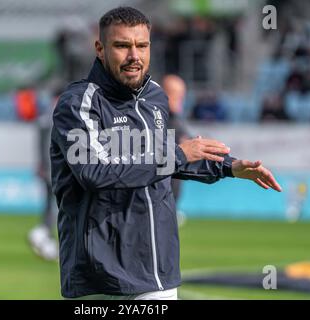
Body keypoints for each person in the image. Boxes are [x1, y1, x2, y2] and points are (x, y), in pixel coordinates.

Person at [50, 6, 282, 300]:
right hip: (102, 278)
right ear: (100, 48)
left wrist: (229, 167)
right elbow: (95, 172)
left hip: (159, 270)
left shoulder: (155, 97)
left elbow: (168, 159)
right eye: (122, 45)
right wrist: (178, 155)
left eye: (142, 45)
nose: (134, 55)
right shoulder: (78, 103)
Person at [27, 87, 62, 261]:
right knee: (58, 206)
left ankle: (44, 233)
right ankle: (44, 235)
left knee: (50, 204)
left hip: (49, 167)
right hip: (55, 168)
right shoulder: (59, 112)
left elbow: (41, 138)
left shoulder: (48, 111)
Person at [162, 74, 191, 225]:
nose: (180, 99)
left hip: (171, 192)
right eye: (175, 94)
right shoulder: (160, 121)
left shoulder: (177, 121)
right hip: (160, 193)